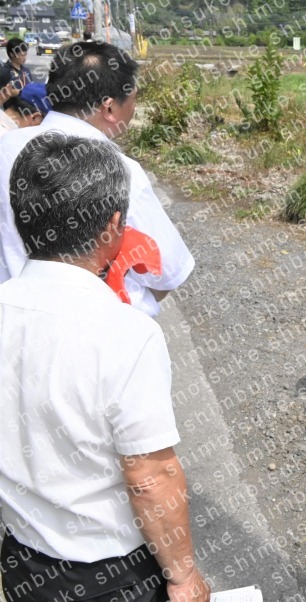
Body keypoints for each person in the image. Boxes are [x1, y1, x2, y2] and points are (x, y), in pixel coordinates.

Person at [0, 131, 210, 601]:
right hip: (111, 576)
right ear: (113, 226)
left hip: (21, 560)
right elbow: (149, 477)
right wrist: (183, 576)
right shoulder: (126, 333)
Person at [0, 41, 194, 317]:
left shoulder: (5, 147)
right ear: (110, 108)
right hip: (93, 329)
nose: (134, 108)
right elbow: (167, 272)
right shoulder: (120, 170)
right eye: (133, 98)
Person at [0, 38, 33, 103]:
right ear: (12, 54)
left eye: (26, 54)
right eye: (22, 55)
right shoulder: (4, 72)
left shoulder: (26, 71)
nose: (25, 58)